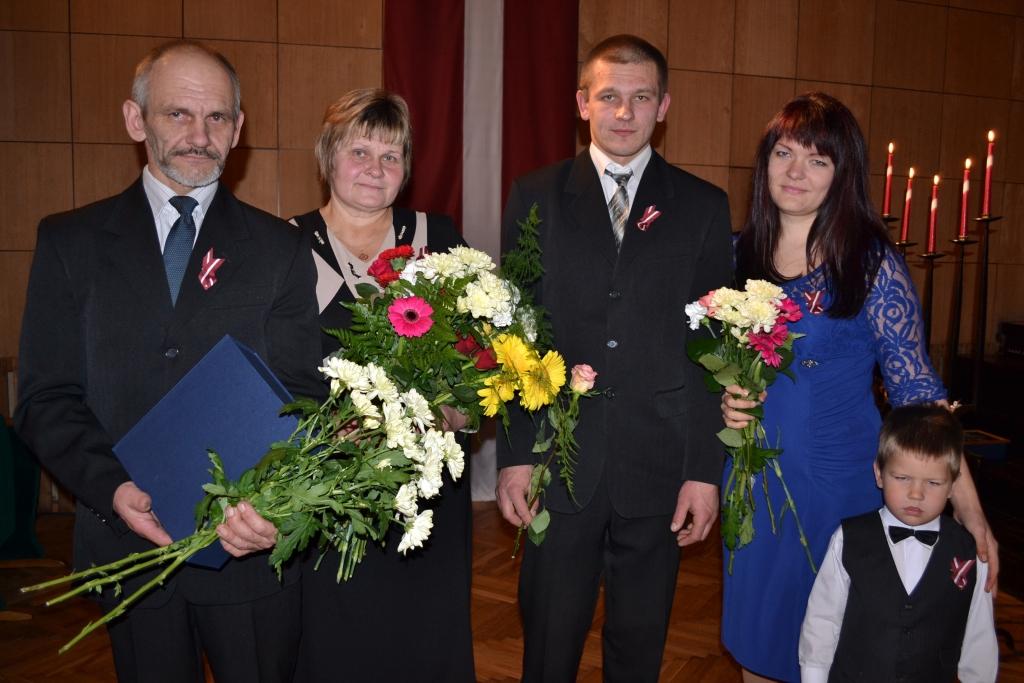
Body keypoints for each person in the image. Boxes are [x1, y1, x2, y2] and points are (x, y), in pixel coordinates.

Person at [15, 41, 324, 682]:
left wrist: (273, 506)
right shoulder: (69, 243)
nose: (199, 135)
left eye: (217, 118)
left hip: (249, 552)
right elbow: (46, 397)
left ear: (238, 130)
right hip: (128, 543)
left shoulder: (281, 251)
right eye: (177, 114)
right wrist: (111, 489)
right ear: (136, 120)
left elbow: (303, 398)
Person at [720, 92, 998, 683]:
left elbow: (918, 397)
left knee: (839, 650)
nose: (795, 171)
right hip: (753, 481)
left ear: (843, 175)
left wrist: (970, 511)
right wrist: (723, 397)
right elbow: (704, 364)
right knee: (757, 639)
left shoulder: (869, 265)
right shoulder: (734, 253)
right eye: (784, 152)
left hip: (839, 486)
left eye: (818, 160)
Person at [495, 34, 733, 681]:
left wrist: (705, 470)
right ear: (582, 102)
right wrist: (516, 453)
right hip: (557, 460)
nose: (623, 112)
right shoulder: (534, 196)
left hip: (658, 466)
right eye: (609, 96)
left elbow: (712, 349)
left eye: (640, 97)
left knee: (639, 646)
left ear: (664, 106)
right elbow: (512, 336)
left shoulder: (705, 208)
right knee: (548, 640)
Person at [289, 88, 475, 683]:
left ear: (407, 168)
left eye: (391, 156)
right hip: (330, 491)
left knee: (425, 640)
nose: (375, 168)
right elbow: (276, 373)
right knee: (340, 642)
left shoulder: (437, 238)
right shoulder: (284, 246)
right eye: (359, 151)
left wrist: (460, 413)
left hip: (427, 494)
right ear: (328, 157)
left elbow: (479, 361)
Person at [799, 404, 998, 683]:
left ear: (953, 486)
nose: (916, 494)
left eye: (933, 482)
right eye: (902, 478)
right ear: (879, 474)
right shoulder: (849, 538)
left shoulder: (968, 551)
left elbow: (979, 636)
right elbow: (822, 620)